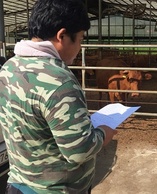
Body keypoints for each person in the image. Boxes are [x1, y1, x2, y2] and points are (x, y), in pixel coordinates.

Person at [0, 0, 117, 193]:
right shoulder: (59, 80)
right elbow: (79, 151)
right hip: (55, 189)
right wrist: (104, 132)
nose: (80, 47)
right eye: (79, 39)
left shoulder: (9, 67)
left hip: (18, 183)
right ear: (62, 36)